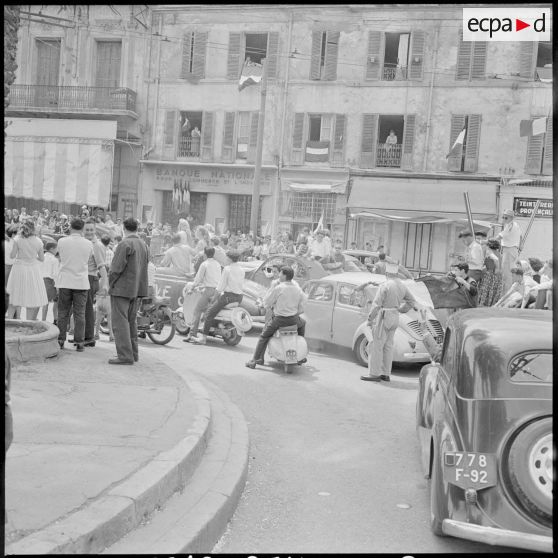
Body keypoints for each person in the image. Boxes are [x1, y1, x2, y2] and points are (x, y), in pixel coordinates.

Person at [360, 262, 420, 383]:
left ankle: (374, 374)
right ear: (397, 273)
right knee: (388, 346)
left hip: (383, 317)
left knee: (376, 346)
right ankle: (386, 374)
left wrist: (370, 319)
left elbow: (376, 305)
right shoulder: (402, 286)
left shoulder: (386, 285)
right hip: (395, 316)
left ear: (387, 273)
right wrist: (401, 309)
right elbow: (412, 301)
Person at [246, 266, 306, 369]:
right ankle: (300, 355)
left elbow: (268, 302)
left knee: (263, 336)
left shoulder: (279, 287)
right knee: (303, 324)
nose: (278, 275)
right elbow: (303, 306)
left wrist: (267, 305)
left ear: (284, 276)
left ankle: (254, 360)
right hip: (293, 320)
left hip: (279, 320)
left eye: (280, 273)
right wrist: (295, 312)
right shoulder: (298, 289)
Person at [108, 217, 149, 365]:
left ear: (124, 228)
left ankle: (125, 355)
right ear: (137, 228)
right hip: (137, 288)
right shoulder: (143, 244)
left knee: (120, 323)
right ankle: (133, 353)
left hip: (122, 288)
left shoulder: (124, 244)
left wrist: (109, 284)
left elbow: (115, 269)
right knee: (131, 322)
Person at [193, 250, 245, 346]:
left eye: (226, 257)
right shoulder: (242, 270)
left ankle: (203, 338)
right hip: (239, 298)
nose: (225, 259)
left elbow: (220, 287)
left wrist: (213, 298)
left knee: (209, 313)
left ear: (229, 258)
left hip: (228, 297)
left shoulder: (227, 269)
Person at [56, 218, 93, 351]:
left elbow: (60, 257)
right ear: (82, 229)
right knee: (80, 314)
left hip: (65, 280)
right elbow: (87, 260)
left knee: (63, 312)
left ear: (70, 227)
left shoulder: (61, 241)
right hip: (81, 281)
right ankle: (80, 342)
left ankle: (60, 339)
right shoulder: (88, 244)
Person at [6, 220, 48, 320]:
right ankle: (29, 322)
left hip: (19, 268)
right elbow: (42, 259)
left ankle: (10, 320)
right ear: (33, 229)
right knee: (31, 296)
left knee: (14, 295)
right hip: (32, 270)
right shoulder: (38, 241)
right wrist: (33, 257)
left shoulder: (17, 239)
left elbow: (12, 256)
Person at [184, 246, 222, 343]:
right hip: (217, 291)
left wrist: (192, 287)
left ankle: (192, 334)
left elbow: (198, 279)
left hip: (208, 291)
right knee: (207, 310)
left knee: (197, 311)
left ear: (205, 254)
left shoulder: (204, 264)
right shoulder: (218, 264)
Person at [83, 219, 108, 347]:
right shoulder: (84, 242)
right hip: (83, 278)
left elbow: (101, 266)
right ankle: (85, 336)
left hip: (90, 278)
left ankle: (89, 338)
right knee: (83, 309)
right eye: (86, 229)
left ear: (95, 230)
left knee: (87, 309)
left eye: (91, 230)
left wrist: (105, 284)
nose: (89, 232)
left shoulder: (96, 245)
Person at [497, 209, 522, 293]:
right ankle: (509, 294)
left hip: (509, 250)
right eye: (503, 217)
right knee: (509, 274)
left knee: (506, 275)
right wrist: (520, 246)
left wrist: (487, 241)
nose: (503, 219)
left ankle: (506, 296)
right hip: (511, 250)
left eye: (506, 217)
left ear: (511, 218)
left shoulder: (510, 225)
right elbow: (521, 236)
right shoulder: (515, 225)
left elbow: (501, 236)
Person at [477, 238, 502, 307]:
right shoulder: (499, 253)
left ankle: (481, 304)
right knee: (493, 290)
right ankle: (490, 305)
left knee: (485, 289)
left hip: (489, 274)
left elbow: (496, 260)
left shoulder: (489, 251)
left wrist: (497, 267)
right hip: (496, 275)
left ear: (489, 245)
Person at [41, 241, 59, 324]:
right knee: (55, 301)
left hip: (41, 280)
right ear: (52, 249)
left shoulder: (42, 257)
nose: (57, 250)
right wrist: (58, 287)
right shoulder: (54, 260)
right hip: (51, 282)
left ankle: (43, 320)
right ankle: (54, 320)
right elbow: (55, 274)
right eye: (56, 248)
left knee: (44, 302)